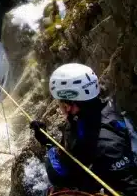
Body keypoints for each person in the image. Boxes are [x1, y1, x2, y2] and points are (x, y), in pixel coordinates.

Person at [30, 63, 137, 195]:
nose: (59, 107)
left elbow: (131, 188)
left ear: (67, 105)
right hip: (85, 177)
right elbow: (72, 153)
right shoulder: (84, 117)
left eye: (59, 103)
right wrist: (45, 139)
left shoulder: (105, 143)